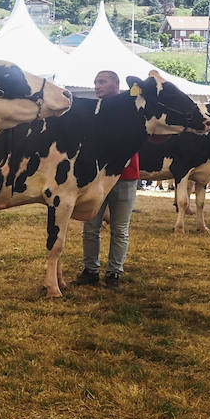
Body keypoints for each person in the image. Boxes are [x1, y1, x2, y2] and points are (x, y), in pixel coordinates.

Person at [74, 70, 137, 291]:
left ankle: (114, 273)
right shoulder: (95, 111)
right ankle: (90, 270)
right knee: (91, 225)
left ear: (116, 84)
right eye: (95, 82)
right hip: (97, 176)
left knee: (119, 228)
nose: (97, 86)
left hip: (125, 176)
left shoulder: (132, 108)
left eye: (102, 82)